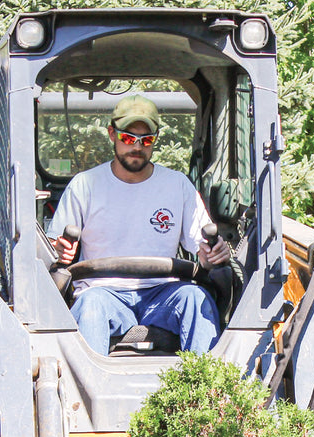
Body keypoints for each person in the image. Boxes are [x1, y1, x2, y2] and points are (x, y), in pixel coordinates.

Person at [47, 94, 230, 355]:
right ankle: (88, 393)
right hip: (103, 293)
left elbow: (203, 251)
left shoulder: (177, 185)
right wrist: (62, 251)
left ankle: (207, 390)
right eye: (128, 138)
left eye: (146, 140)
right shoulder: (85, 185)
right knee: (90, 306)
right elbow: (57, 248)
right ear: (112, 134)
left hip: (163, 294)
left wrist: (213, 255)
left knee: (196, 298)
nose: (137, 147)